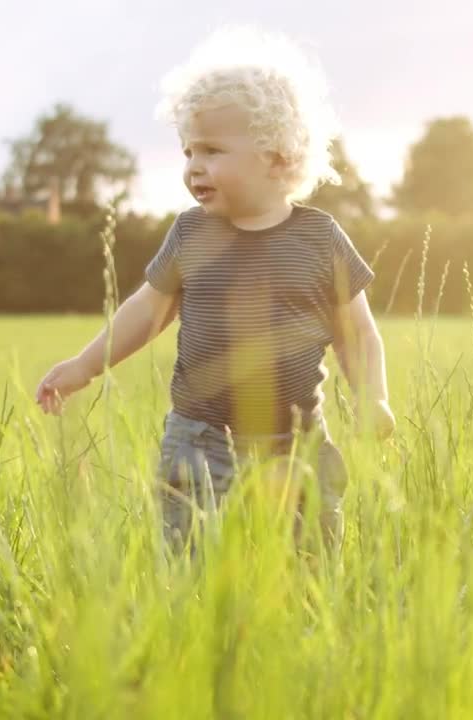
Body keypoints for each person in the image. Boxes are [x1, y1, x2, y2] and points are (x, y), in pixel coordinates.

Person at [35, 27, 394, 550]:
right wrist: (85, 365)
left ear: (278, 157)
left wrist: (371, 397)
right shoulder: (192, 233)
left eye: (212, 150)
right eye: (187, 151)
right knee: (188, 557)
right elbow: (148, 309)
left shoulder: (320, 238)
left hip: (296, 441)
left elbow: (357, 332)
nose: (193, 166)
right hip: (200, 438)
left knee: (311, 554)